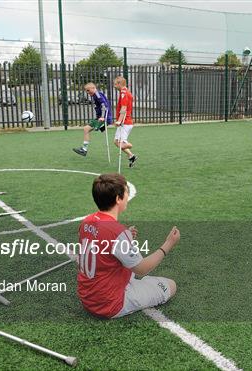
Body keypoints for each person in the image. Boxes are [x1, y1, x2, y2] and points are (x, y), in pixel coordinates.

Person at [77, 173, 180, 318]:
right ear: (118, 199)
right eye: (126, 192)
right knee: (171, 285)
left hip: (87, 296)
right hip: (109, 303)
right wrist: (168, 244)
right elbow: (142, 269)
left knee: (127, 263)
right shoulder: (118, 233)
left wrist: (126, 237)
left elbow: (103, 243)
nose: (128, 196)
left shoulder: (86, 221)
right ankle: (143, 287)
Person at [73, 82, 113, 157]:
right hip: (100, 118)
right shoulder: (95, 95)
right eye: (86, 91)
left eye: (88, 90)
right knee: (87, 129)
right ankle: (84, 149)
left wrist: (103, 117)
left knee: (87, 129)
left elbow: (105, 105)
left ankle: (84, 149)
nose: (87, 92)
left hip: (103, 118)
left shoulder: (97, 95)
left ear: (93, 88)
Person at [113, 76, 137, 167]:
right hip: (125, 122)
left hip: (125, 122)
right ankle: (131, 156)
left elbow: (124, 108)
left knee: (122, 145)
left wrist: (119, 121)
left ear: (119, 84)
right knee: (116, 142)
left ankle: (129, 145)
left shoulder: (124, 93)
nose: (114, 86)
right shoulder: (125, 92)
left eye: (115, 84)